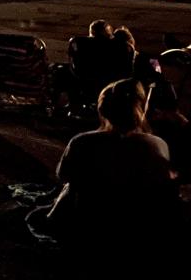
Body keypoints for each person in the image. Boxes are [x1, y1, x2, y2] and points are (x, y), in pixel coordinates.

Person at [41, 78, 177, 246]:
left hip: (89, 222)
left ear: (103, 110)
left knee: (70, 189)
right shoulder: (157, 144)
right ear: (141, 108)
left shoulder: (82, 142)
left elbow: (63, 175)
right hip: (139, 227)